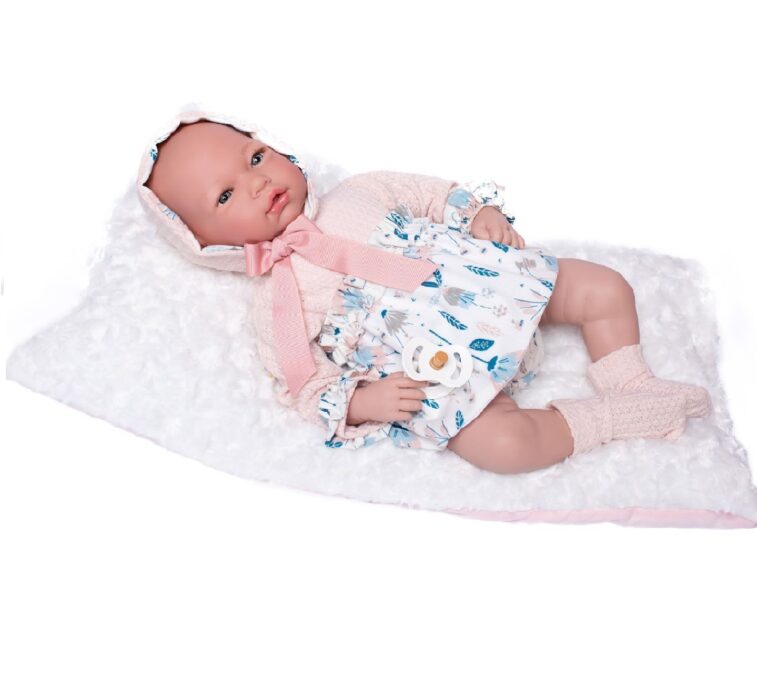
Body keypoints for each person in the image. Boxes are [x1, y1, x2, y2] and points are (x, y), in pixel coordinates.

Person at [136, 108, 712, 474]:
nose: (258, 181)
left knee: (603, 287)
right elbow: (305, 383)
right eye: (225, 196)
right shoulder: (278, 303)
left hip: (500, 288)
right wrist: (362, 402)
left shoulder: (357, 194)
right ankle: (613, 418)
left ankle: (631, 382)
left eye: (256, 157)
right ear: (204, 244)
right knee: (504, 449)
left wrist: (478, 213)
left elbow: (430, 196)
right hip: (444, 371)